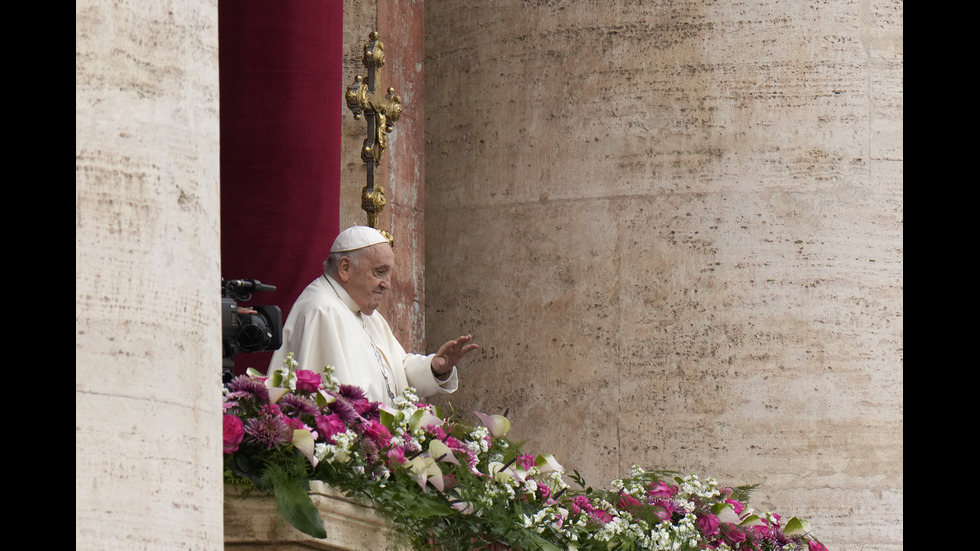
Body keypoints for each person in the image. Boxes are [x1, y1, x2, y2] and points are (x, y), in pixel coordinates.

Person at [268, 226, 478, 406]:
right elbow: (330, 406)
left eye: (389, 274)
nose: (387, 284)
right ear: (345, 267)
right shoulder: (321, 311)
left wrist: (436, 367)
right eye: (379, 272)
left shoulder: (368, 314)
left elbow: (399, 370)